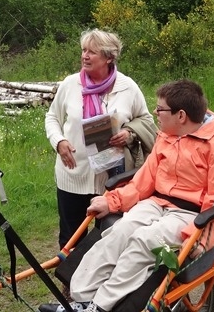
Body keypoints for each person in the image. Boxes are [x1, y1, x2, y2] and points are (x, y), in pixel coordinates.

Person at [47, 79, 214, 312]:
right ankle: (79, 299)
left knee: (145, 240)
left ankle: (99, 307)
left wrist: (200, 239)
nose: (155, 113)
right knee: (119, 230)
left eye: (160, 109)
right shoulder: (167, 137)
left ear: (181, 116)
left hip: (190, 214)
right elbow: (143, 182)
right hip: (157, 202)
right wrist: (112, 201)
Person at [45, 29, 157, 251]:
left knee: (107, 234)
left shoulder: (127, 87)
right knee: (70, 236)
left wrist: (130, 134)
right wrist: (59, 142)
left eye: (92, 52)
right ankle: (69, 282)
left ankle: (100, 281)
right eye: (83, 50)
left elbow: (146, 120)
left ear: (108, 57)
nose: (85, 56)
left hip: (111, 177)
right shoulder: (70, 84)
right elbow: (51, 117)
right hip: (72, 173)